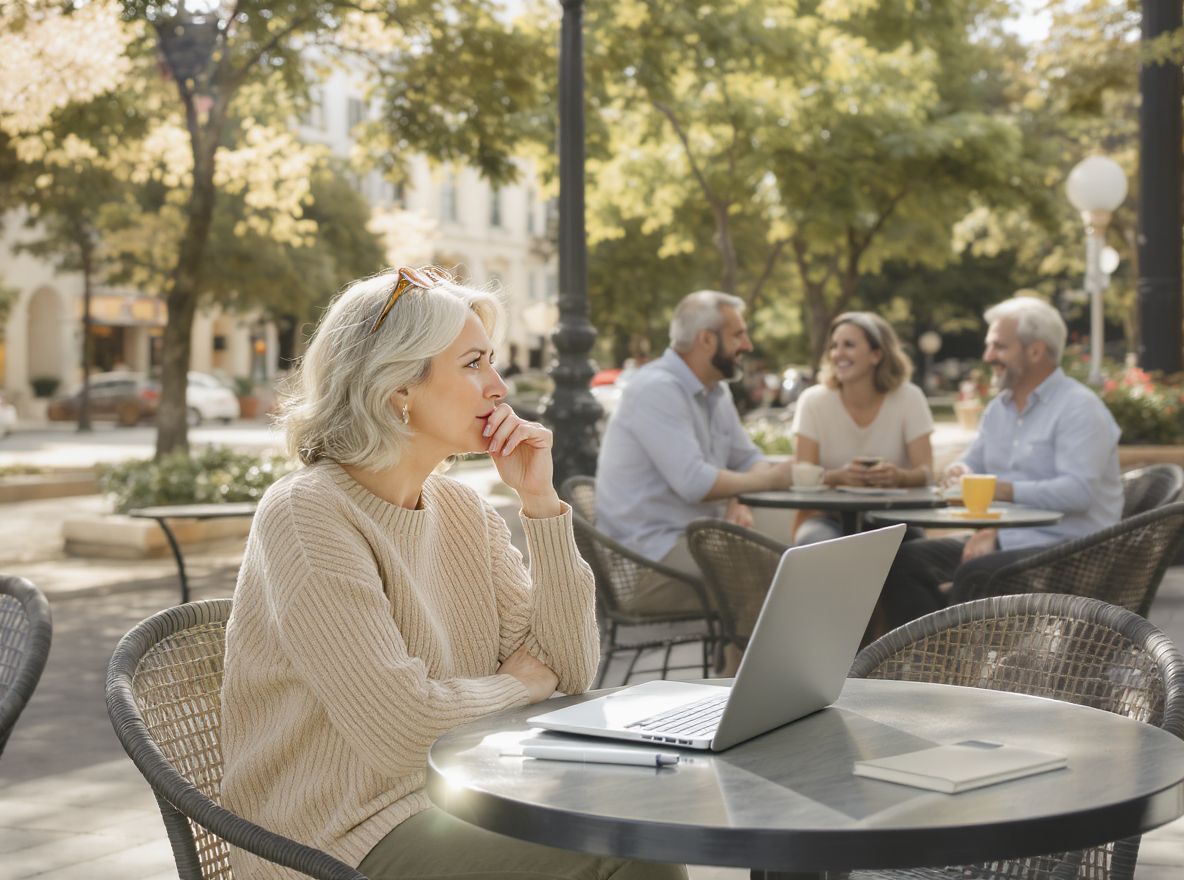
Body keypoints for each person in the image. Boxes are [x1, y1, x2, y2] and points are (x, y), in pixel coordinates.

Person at [220, 266, 686, 880]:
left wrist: (541, 507)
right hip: (334, 841)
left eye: (492, 362)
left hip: (459, 799)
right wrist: (517, 686)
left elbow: (568, 671)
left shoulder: (463, 509)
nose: (499, 386)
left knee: (638, 823)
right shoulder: (307, 515)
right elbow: (401, 731)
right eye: (473, 364)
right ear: (397, 389)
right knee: (620, 850)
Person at [879, 296, 1123, 629]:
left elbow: (1077, 492)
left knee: (976, 573)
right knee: (902, 562)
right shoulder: (999, 409)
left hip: (1073, 553)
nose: (987, 356)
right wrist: (961, 471)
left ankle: (952, 664)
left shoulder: (1080, 409)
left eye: (998, 347)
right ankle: (932, 663)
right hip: (1010, 540)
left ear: (1035, 351)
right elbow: (973, 461)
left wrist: (998, 492)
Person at [596, 290, 795, 613]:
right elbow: (695, 483)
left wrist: (738, 497)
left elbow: (748, 460)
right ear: (706, 340)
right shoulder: (657, 389)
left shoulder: (716, 390)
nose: (748, 345)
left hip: (692, 543)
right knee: (773, 572)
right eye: (738, 335)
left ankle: (744, 665)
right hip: (647, 563)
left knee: (790, 560)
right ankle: (748, 666)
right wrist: (772, 481)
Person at [792, 312, 934, 544]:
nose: (838, 354)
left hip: (896, 519)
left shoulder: (909, 398)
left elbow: (926, 473)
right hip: (827, 517)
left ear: (876, 355)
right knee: (818, 546)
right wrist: (839, 476)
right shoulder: (813, 401)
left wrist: (898, 477)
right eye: (834, 346)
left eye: (849, 345)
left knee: (918, 557)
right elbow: (801, 474)